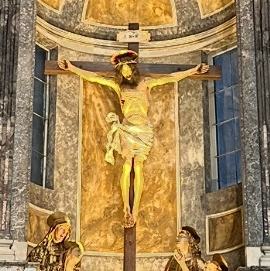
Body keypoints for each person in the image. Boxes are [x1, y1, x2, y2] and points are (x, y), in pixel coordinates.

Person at [59, 51, 204, 224]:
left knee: (139, 167)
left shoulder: (145, 83)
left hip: (143, 130)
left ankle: (135, 209)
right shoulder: (119, 86)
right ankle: (125, 207)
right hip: (127, 129)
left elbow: (170, 78)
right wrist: (71, 68)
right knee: (127, 166)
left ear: (133, 69)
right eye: (123, 70)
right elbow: (94, 78)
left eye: (128, 69)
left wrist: (193, 70)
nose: (126, 73)